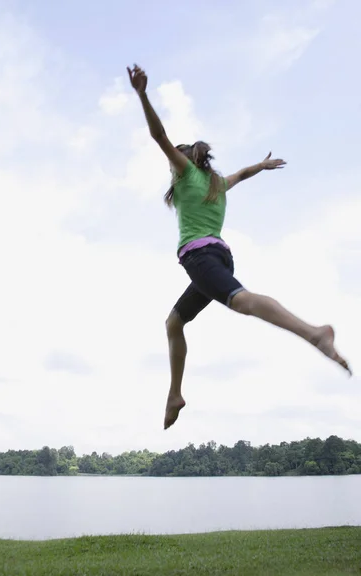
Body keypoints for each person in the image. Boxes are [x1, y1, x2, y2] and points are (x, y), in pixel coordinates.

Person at [127, 64, 352, 431]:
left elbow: (159, 135)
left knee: (243, 302)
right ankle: (175, 394)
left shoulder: (185, 172)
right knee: (174, 323)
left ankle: (315, 334)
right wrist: (261, 165)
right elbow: (241, 175)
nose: (171, 169)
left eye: (174, 163)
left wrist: (142, 95)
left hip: (200, 256)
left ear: (183, 160)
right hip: (218, 257)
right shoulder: (216, 182)